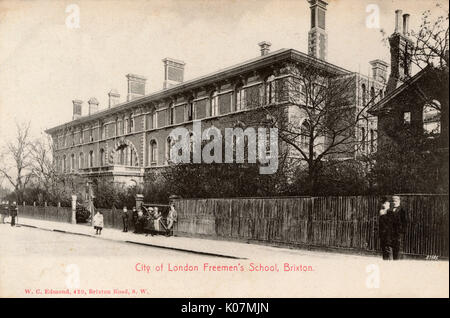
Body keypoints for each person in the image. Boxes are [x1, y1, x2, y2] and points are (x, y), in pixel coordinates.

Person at [389, 195, 408, 260]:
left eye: (396, 201)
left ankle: (397, 261)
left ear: (399, 201)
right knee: (391, 247)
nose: (394, 202)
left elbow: (404, 221)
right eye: (393, 201)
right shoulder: (390, 210)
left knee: (398, 248)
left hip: (398, 232)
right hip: (391, 232)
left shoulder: (402, 210)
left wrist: (402, 231)